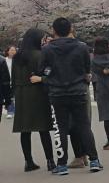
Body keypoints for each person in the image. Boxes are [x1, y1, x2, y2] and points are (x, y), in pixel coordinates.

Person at [35, 17, 102, 174]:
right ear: (70, 29)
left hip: (57, 92)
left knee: (61, 128)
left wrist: (50, 74)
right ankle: (94, 160)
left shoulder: (47, 49)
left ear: (54, 30)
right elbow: (87, 68)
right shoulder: (81, 47)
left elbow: (42, 69)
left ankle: (62, 164)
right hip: (78, 90)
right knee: (83, 126)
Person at [10, 30, 54, 172]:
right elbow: (48, 74)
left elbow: (13, 78)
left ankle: (28, 161)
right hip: (38, 93)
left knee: (25, 129)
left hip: (21, 94)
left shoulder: (17, 57)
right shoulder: (40, 55)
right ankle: (50, 161)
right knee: (43, 128)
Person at [3, 44, 15, 118]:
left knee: (13, 96)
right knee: (8, 96)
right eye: (11, 50)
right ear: (8, 51)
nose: (13, 51)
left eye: (14, 50)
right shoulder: (4, 60)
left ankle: (11, 110)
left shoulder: (17, 61)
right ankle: (10, 110)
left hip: (15, 80)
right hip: (6, 81)